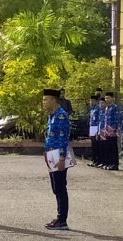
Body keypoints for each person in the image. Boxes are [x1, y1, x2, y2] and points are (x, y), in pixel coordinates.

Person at [42, 89, 71, 230]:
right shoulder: (52, 115)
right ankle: (59, 217)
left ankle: (62, 220)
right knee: (55, 188)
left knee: (60, 187)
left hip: (58, 156)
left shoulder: (61, 116)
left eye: (45, 99)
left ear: (53, 100)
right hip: (51, 155)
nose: (44, 102)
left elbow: (63, 139)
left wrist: (61, 158)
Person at [103, 92, 119, 170]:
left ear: (112, 98)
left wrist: (114, 129)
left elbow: (116, 119)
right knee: (108, 148)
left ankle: (115, 164)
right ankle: (110, 163)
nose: (107, 99)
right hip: (107, 131)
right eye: (106, 98)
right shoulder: (106, 108)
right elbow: (105, 120)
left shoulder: (115, 107)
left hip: (112, 131)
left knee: (113, 148)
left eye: (108, 98)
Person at [87, 95, 100, 167]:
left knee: (96, 146)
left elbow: (99, 120)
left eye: (92, 101)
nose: (91, 102)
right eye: (90, 101)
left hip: (96, 128)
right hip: (92, 128)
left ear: (96, 101)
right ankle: (94, 160)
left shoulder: (98, 109)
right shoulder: (92, 109)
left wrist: (98, 131)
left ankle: (97, 161)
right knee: (93, 146)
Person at [96, 97, 107, 168]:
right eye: (100, 103)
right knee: (101, 148)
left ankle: (105, 162)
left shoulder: (107, 111)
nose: (101, 104)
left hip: (106, 132)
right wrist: (98, 131)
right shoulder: (100, 112)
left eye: (102, 103)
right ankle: (102, 162)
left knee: (105, 148)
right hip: (100, 131)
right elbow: (99, 122)